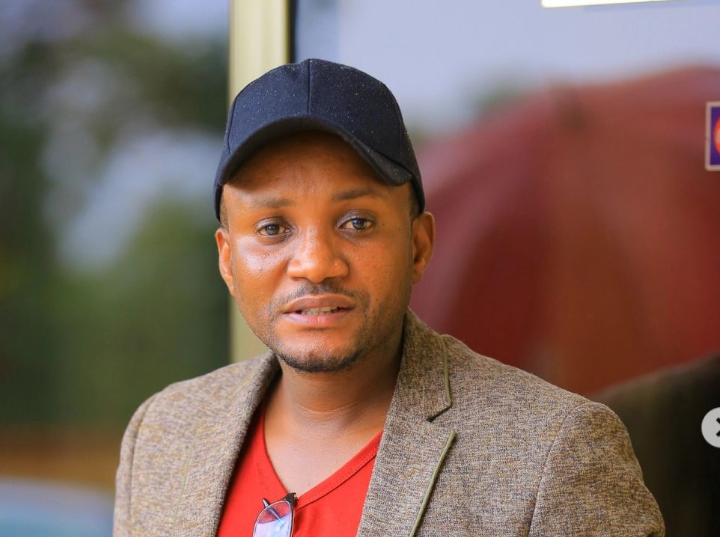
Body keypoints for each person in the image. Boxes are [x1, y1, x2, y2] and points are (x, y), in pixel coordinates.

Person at [113, 59, 664, 537]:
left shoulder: (554, 453)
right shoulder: (164, 434)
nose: (315, 263)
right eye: (273, 228)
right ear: (227, 261)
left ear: (418, 246)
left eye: (356, 222)